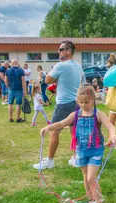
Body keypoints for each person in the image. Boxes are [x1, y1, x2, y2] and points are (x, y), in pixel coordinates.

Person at [40, 85, 116, 203]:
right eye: (81, 102)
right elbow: (61, 123)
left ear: (93, 100)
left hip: (95, 149)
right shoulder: (75, 114)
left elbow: (110, 126)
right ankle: (91, 199)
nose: (83, 105)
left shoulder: (98, 114)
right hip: (81, 150)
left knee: (91, 178)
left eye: (86, 102)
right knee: (85, 177)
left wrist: (112, 136)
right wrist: (49, 127)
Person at [33, 40, 84, 170]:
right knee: (74, 131)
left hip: (63, 104)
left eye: (61, 49)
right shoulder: (78, 66)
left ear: (68, 51)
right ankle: (75, 158)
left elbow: (47, 80)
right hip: (76, 103)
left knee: (54, 131)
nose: (58, 51)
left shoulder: (60, 66)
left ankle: (49, 161)